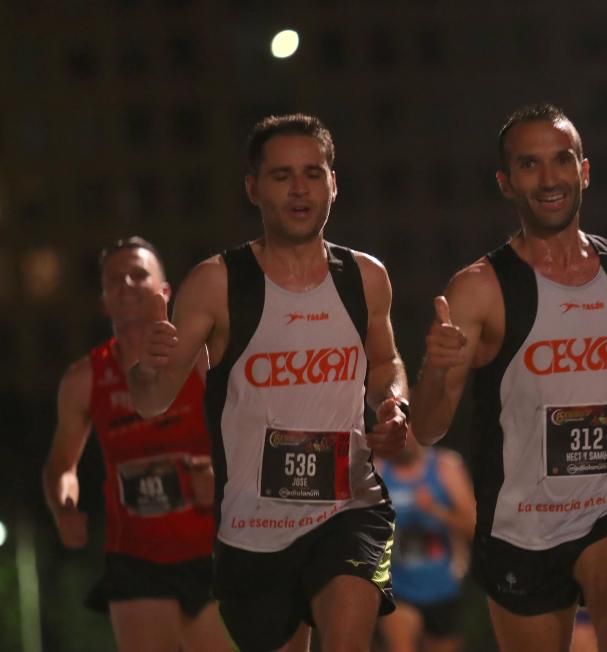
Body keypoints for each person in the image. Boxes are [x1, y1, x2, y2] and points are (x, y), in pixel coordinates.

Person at [410, 103, 607, 652]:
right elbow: (428, 429)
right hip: (522, 523)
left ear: (584, 170)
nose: (549, 179)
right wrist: (438, 367)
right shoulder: (479, 289)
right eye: (529, 165)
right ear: (506, 182)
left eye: (561, 161)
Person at [123, 114, 409, 652]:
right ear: (253, 187)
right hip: (253, 532)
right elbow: (152, 399)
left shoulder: (365, 277)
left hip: (352, 507)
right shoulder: (216, 283)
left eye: (312, 173)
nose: (299, 189)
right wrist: (145, 366)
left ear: (333, 182)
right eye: (281, 176)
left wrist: (394, 404)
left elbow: (384, 362)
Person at [42, 236, 231, 652]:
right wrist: (64, 506)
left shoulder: (201, 361)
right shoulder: (84, 379)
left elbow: (246, 437)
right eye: (114, 279)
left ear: (166, 291)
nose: (126, 283)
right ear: (102, 300)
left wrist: (218, 477)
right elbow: (62, 465)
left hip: (211, 551)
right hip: (135, 559)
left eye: (138, 274)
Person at [376, 437, 476, 652]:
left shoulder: (446, 467)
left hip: (442, 589)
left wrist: (435, 510)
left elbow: (473, 526)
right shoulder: (377, 469)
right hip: (397, 588)